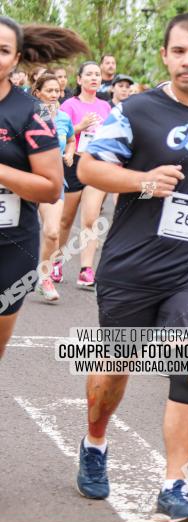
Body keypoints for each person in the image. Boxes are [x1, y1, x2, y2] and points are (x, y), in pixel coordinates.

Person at [75, 12, 188, 522]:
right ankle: (95, 441)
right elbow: (88, 167)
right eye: (179, 52)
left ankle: (175, 485)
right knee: (115, 369)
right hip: (131, 266)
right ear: (166, 57)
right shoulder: (137, 111)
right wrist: (142, 180)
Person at [0, 17, 85, 358]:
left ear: (16, 58)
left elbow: (51, 188)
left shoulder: (29, 114)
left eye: (3, 50)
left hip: (9, 249)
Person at [57, 61, 111, 289]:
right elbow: (60, 135)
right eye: (89, 74)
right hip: (72, 162)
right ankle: (56, 261)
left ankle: (86, 269)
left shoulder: (106, 107)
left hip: (96, 164)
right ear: (79, 80)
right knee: (65, 219)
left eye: (97, 74)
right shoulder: (69, 105)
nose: (94, 78)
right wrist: (80, 126)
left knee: (90, 219)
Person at [32, 73, 76, 303]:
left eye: (57, 91)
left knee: (52, 232)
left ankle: (44, 277)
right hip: (24, 181)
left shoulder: (64, 118)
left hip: (53, 181)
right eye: (48, 91)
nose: (53, 95)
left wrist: (69, 153)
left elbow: (71, 139)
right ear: (37, 92)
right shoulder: (25, 116)